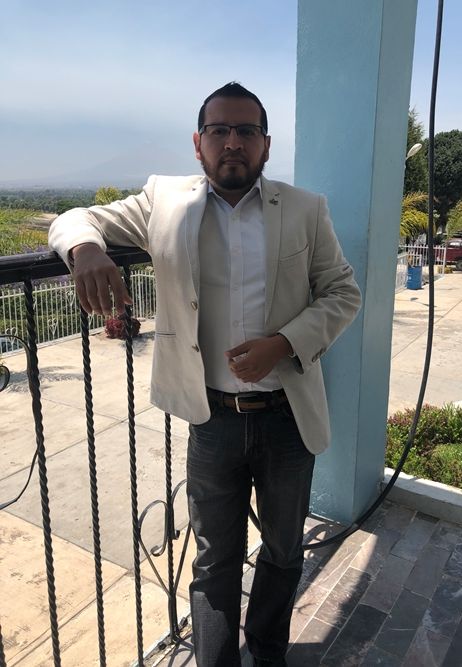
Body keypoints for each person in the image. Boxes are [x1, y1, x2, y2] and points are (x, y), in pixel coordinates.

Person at [49, 82, 361, 667]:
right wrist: (86, 249)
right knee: (215, 561)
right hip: (212, 419)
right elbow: (74, 218)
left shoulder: (305, 209)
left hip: (288, 417)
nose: (232, 142)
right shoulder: (163, 202)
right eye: (219, 130)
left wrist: (283, 344)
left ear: (266, 145)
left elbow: (343, 291)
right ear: (199, 144)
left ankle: (267, 650)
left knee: (284, 550)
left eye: (246, 131)